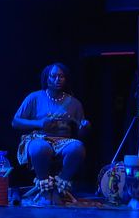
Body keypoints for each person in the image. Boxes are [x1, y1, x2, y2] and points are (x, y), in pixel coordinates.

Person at [12, 62, 90, 205]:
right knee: (41, 148)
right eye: (53, 76)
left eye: (61, 76)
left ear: (66, 79)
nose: (57, 79)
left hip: (63, 141)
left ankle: (59, 187)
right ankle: (46, 191)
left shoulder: (74, 103)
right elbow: (15, 122)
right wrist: (39, 123)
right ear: (46, 78)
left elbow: (81, 135)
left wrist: (84, 127)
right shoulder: (34, 97)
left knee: (77, 147)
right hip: (38, 138)